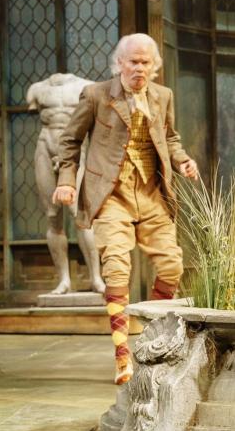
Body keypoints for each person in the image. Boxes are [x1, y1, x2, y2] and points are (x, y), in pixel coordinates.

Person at [52, 33, 199, 385]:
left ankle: (149, 339)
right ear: (119, 63)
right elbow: (70, 140)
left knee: (172, 265)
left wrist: (181, 160)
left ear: (154, 65)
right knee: (117, 268)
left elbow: (170, 137)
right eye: (133, 61)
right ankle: (122, 354)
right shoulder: (96, 95)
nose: (139, 68)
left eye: (145, 62)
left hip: (151, 193)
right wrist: (67, 180)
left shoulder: (162, 96)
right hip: (111, 194)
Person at [26, 73, 105, 295]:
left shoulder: (87, 87)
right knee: (53, 216)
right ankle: (64, 280)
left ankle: (96, 278)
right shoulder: (36, 89)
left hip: (76, 147)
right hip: (46, 144)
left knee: (80, 215)